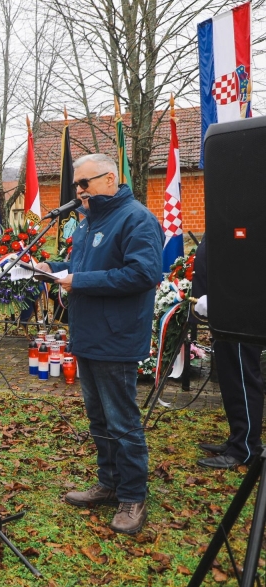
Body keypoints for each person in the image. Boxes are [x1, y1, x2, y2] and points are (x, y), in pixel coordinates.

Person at [36, 153, 162, 535]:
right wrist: (50, 270)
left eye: (84, 183)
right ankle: (109, 482)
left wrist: (79, 281)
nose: (78, 191)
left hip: (117, 337)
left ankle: (133, 496)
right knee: (99, 418)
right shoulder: (88, 222)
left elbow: (143, 273)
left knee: (122, 420)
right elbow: (82, 266)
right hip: (88, 335)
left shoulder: (137, 219)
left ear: (111, 180)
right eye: (76, 184)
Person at [190, 239, 265, 469]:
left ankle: (245, 449)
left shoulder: (245, 217)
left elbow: (244, 267)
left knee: (242, 378)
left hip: (238, 313)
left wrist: (221, 299)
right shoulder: (226, 214)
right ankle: (238, 439)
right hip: (224, 314)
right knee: (232, 379)